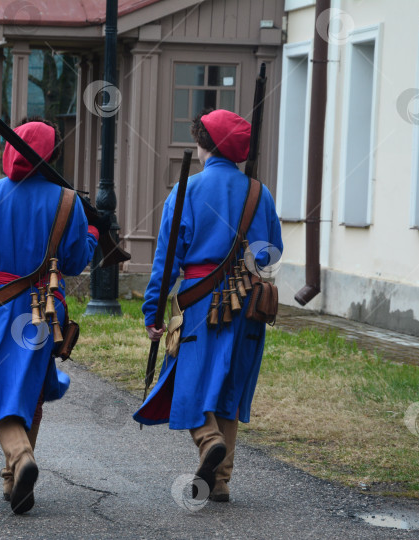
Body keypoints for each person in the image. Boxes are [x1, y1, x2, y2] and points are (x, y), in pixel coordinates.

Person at [0, 118, 102, 514]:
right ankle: (14, 483)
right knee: (29, 390)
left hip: (0, 306)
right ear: (54, 156)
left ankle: (21, 456)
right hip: (46, 308)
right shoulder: (68, 201)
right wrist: (93, 233)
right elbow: (76, 263)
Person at [133, 109, 283, 503]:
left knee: (188, 383)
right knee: (228, 390)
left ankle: (208, 440)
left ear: (204, 145)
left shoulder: (188, 190)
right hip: (248, 302)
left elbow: (167, 261)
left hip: (202, 303)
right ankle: (220, 481)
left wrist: (153, 312)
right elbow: (270, 255)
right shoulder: (259, 193)